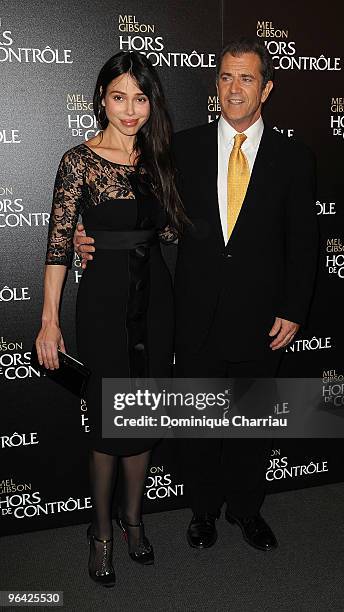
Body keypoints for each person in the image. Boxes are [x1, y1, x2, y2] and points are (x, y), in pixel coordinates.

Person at [75, 38, 318, 553]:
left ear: (266, 88)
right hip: (193, 313)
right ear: (216, 84)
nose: (235, 88)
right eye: (227, 77)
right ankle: (203, 511)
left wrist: (294, 310)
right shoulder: (179, 148)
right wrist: (90, 234)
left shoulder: (294, 158)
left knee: (252, 424)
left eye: (247, 78)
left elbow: (304, 243)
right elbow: (145, 215)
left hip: (263, 318)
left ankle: (247, 511)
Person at [36, 50, 185, 587]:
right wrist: (49, 320)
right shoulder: (78, 161)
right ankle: (100, 533)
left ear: (152, 103)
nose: (129, 110)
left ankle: (133, 518)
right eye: (118, 97)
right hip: (101, 306)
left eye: (140, 98)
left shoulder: (162, 158)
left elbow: (169, 235)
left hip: (156, 304)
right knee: (106, 424)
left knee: (143, 418)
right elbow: (57, 244)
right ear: (101, 98)